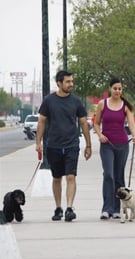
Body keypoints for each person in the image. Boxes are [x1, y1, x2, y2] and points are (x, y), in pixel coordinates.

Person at [35, 70, 92, 222]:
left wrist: (88, 145)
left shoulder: (76, 101)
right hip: (53, 145)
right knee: (56, 178)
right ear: (59, 83)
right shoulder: (49, 101)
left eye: (71, 81)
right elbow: (41, 121)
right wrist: (38, 142)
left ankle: (69, 208)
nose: (71, 84)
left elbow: (83, 122)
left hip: (71, 145)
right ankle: (58, 207)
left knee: (71, 176)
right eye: (67, 81)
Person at [93, 77, 135, 220]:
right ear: (110, 89)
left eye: (120, 89)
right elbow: (96, 123)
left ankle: (118, 209)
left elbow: (131, 123)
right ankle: (107, 209)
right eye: (115, 88)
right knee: (108, 175)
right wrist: (99, 135)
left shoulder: (125, 106)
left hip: (122, 144)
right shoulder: (102, 104)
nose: (117, 91)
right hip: (107, 145)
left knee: (119, 176)